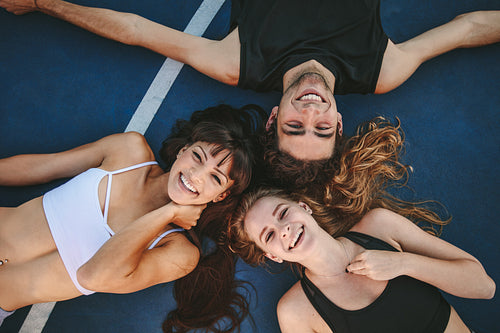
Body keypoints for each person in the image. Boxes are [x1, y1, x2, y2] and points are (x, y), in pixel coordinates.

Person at [1, 0, 499, 162]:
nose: (309, 113)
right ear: (339, 120)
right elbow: (468, 29)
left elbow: (136, 31)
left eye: (295, 127)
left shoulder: (236, 63)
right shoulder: (381, 71)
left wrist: (46, 3)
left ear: (274, 119)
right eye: (322, 129)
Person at [0, 103, 267, 332]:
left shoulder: (179, 253)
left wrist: (168, 213)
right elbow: (43, 168)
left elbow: (93, 277)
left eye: (215, 178)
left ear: (221, 196)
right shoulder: (129, 151)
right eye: (198, 156)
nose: (196, 175)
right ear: (182, 150)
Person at [226, 187, 496, 333]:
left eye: (283, 213)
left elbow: (484, 287)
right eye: (270, 235)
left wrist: (403, 263)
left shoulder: (380, 226)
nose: (283, 229)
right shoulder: (294, 312)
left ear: (303, 207)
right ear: (273, 255)